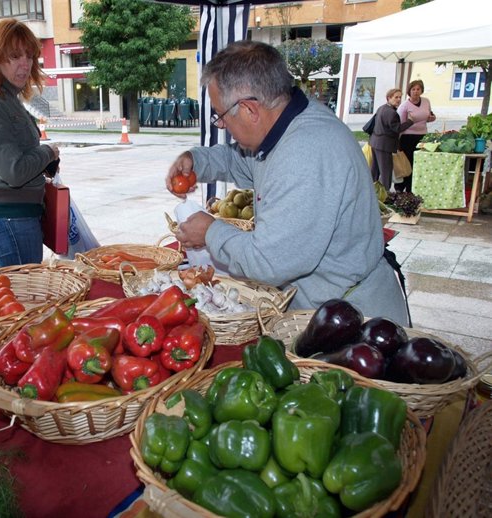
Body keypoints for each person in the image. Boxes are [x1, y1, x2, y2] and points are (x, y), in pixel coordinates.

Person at [166, 41, 409, 326]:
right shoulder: (288, 122)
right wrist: (197, 161)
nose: (223, 126)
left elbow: (268, 262)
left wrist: (210, 233)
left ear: (248, 110)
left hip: (351, 319)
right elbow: (243, 161)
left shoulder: (305, 152)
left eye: (220, 117)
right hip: (326, 305)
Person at [0, 18, 60, 267]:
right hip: (9, 219)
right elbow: (14, 172)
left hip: (18, 216)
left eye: (29, 56)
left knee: (27, 296)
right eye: (14, 56)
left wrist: (44, 162)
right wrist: (48, 152)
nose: (24, 64)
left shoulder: (5, 97)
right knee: (28, 300)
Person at [369, 88, 414, 190]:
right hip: (384, 145)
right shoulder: (391, 112)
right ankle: (385, 194)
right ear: (389, 98)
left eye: (399, 97)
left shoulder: (382, 108)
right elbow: (397, 128)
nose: (398, 99)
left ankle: (372, 191)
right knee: (386, 172)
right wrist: (410, 121)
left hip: (376, 142)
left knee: (375, 170)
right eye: (396, 97)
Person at [396, 79, 436, 192]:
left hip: (422, 136)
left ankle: (414, 187)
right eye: (413, 89)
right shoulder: (404, 106)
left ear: (421, 90)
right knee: (407, 163)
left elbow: (429, 115)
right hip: (407, 137)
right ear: (409, 91)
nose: (416, 92)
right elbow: (400, 125)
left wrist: (431, 118)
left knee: (419, 162)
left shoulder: (426, 101)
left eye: (418, 89)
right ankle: (402, 187)